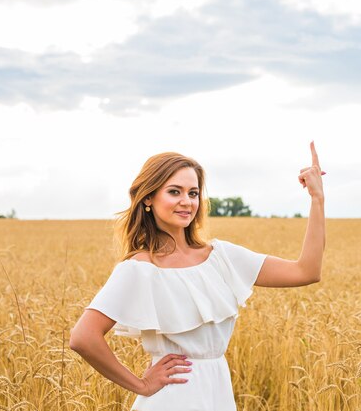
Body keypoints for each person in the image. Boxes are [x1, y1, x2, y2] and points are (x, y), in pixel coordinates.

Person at [69, 141, 326, 411]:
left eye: (193, 193)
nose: (186, 202)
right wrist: (141, 385)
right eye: (174, 192)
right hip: (171, 398)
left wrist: (317, 199)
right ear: (148, 198)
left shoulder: (221, 256)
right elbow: (83, 337)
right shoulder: (139, 268)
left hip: (217, 393)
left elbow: (306, 271)